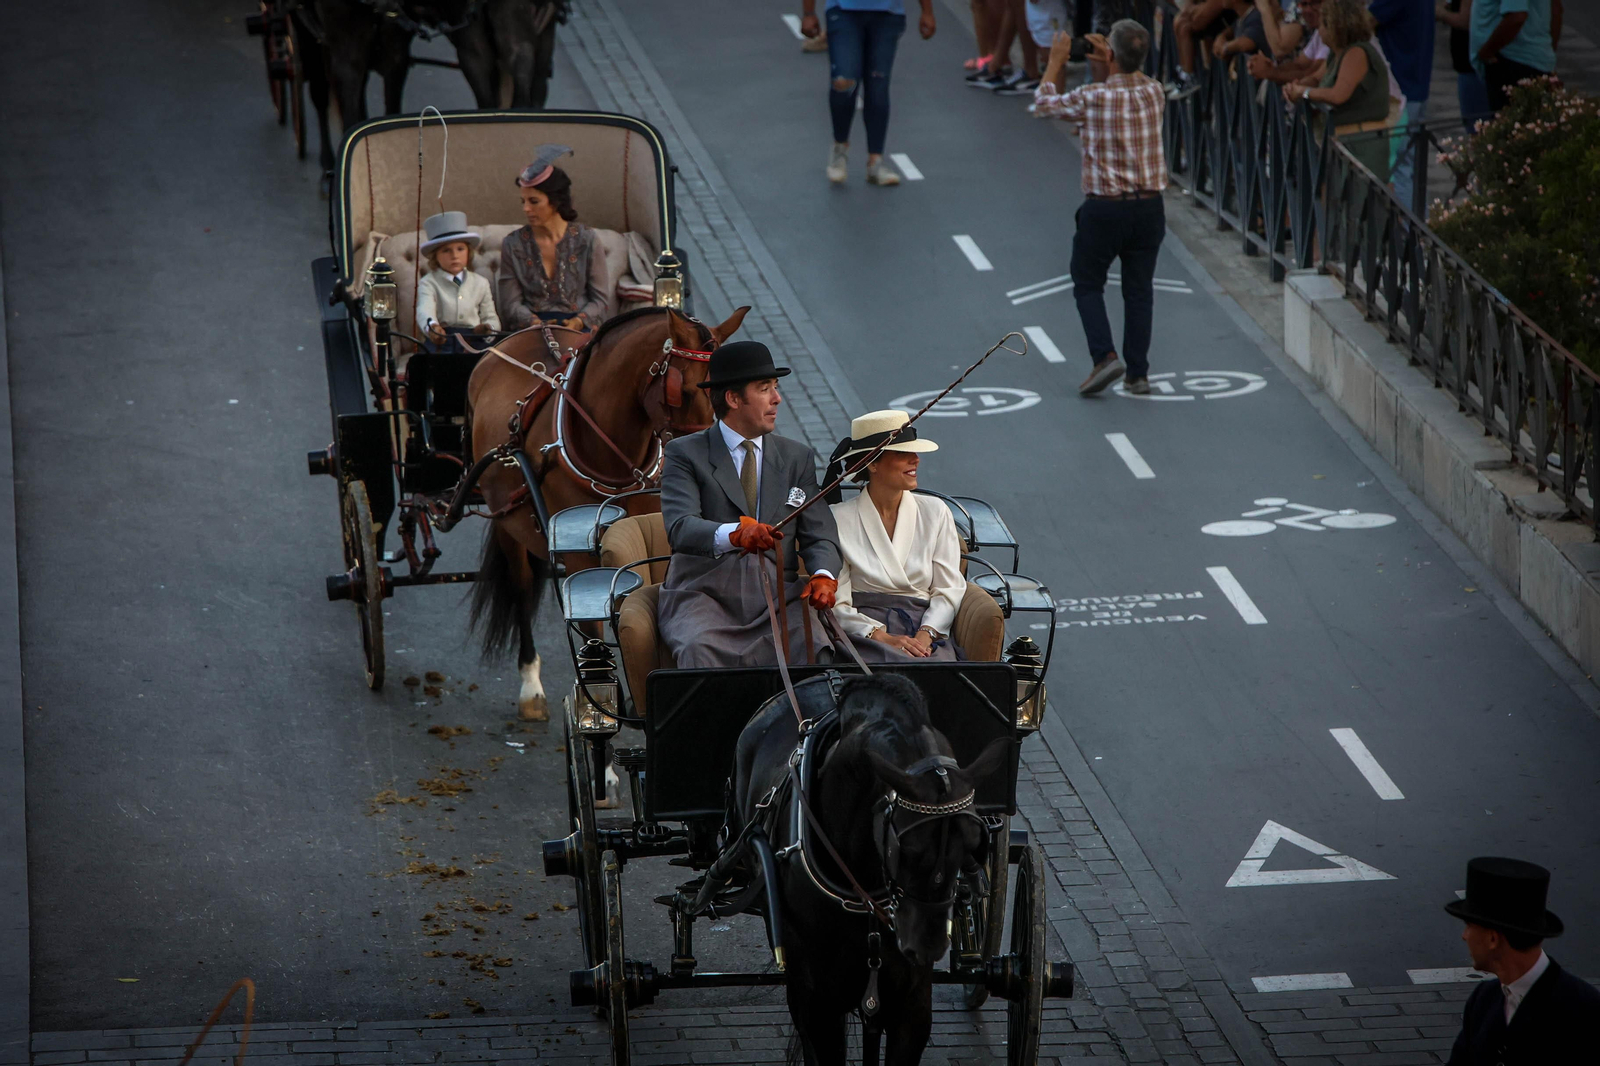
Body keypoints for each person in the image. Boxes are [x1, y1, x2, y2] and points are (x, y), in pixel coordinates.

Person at [657, 341, 842, 669]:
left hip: (777, 597)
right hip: (704, 596)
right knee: (699, 648)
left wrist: (824, 574)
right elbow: (681, 527)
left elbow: (820, 533)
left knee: (815, 644)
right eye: (764, 388)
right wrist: (735, 535)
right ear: (733, 399)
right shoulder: (684, 453)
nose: (777, 398)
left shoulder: (796, 457)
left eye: (775, 387)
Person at [1032, 21, 1168, 397]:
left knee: (1088, 282)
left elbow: (1043, 105)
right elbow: (1126, 84)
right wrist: (1109, 58)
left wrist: (1056, 60)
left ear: (1109, 54)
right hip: (1149, 207)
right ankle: (1138, 374)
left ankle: (1104, 356)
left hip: (1105, 208)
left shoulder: (1092, 97)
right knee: (1139, 290)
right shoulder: (1155, 91)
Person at [824, 411, 966, 662]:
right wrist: (883, 637)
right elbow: (838, 603)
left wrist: (925, 635)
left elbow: (948, 588)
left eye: (915, 452)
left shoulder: (935, 511)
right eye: (902, 453)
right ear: (873, 464)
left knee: (937, 674)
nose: (916, 460)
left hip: (926, 629)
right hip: (864, 632)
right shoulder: (837, 518)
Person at [1444, 857, 1599, 1063]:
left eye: (1469, 925)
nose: (1464, 936)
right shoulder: (1483, 1000)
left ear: (1493, 939)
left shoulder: (1584, 1011)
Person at [801, 0, 936, 186]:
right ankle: (840, 148)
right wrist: (808, 13)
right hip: (843, 10)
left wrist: (927, 11)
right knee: (844, 80)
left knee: (878, 85)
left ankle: (875, 161)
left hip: (888, 13)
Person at [494, 144, 608, 334]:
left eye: (534, 201)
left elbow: (600, 300)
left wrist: (578, 322)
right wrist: (534, 323)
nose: (526, 209)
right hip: (532, 331)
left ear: (555, 201)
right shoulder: (513, 244)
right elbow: (510, 304)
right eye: (523, 201)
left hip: (580, 330)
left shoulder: (587, 240)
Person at [1283, 0, 1392, 182]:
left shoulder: (1357, 53)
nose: (1318, 30)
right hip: (1342, 142)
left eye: (1323, 24)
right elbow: (1316, 78)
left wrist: (1304, 92)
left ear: (1335, 26)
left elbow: (1338, 94)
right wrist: (1296, 86)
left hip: (1362, 144)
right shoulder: (1337, 54)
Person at [1369, 0, 1434, 209]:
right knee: (1411, 166)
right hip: (1415, 85)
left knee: (1401, 168)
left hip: (1401, 89)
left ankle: (1408, 227)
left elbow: (1359, 24)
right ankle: (1418, 223)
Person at [414, 211, 500, 351]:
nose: (454, 256)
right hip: (443, 340)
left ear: (468, 252)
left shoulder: (481, 283)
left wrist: (488, 328)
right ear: (435, 256)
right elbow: (425, 309)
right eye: (446, 250)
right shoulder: (428, 282)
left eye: (460, 249)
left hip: (474, 340)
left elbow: (490, 316)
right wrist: (433, 328)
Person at [1469, 0, 1561, 113]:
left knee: (1511, 120)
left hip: (1513, 63)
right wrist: (1547, 52)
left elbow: (1517, 16)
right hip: (1532, 62)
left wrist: (1486, 51)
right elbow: (1556, 9)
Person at [1437, 0, 1492, 123]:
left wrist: (1441, 13)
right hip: (1470, 63)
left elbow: (1465, 20)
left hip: (1472, 65)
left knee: (1477, 122)